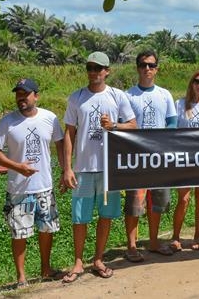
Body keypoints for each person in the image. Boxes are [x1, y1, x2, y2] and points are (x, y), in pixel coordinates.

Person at [61, 52, 137, 283]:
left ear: (107, 71)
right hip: (83, 168)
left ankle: (98, 259)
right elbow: (69, 133)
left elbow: (133, 125)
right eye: (90, 67)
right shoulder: (77, 97)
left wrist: (113, 126)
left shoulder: (117, 96)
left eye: (98, 68)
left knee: (106, 215)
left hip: (108, 169)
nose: (93, 72)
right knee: (79, 217)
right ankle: (78, 262)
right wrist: (67, 168)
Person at [0, 78, 65, 286]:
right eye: (18, 94)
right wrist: (17, 166)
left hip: (44, 186)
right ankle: (21, 277)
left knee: (46, 229)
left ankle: (46, 269)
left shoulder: (50, 118)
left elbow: (60, 143)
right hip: (18, 189)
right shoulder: (7, 122)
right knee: (19, 233)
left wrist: (66, 170)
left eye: (25, 94)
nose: (21, 98)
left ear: (36, 96)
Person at [123, 50, 178, 261]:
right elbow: (124, 125)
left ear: (157, 69)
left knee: (157, 202)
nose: (148, 69)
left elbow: (172, 122)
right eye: (144, 65)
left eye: (152, 65)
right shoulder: (128, 95)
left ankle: (154, 241)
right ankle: (132, 246)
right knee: (135, 203)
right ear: (138, 67)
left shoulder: (164, 95)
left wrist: (161, 139)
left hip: (160, 158)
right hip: (136, 159)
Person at [170, 70, 199, 252]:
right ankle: (175, 236)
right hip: (184, 159)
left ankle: (197, 235)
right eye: (197, 81)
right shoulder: (180, 104)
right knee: (184, 199)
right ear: (191, 83)